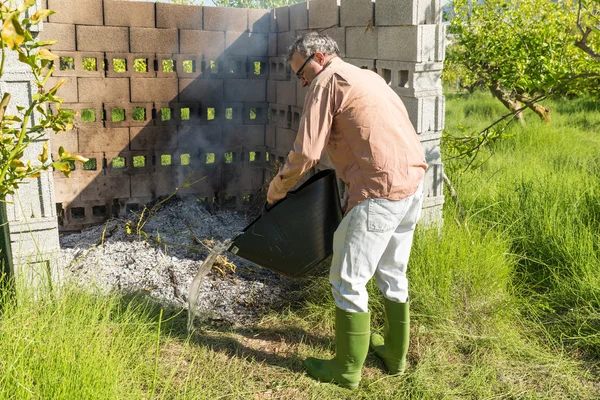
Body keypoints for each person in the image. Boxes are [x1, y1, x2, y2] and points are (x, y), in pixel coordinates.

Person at [267, 32, 428, 389]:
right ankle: (395, 356)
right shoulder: (367, 77)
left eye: (302, 72)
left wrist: (277, 189)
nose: (302, 80)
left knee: (348, 280)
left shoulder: (327, 81)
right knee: (392, 271)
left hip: (378, 193)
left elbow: (307, 153)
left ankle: (346, 369)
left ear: (320, 58)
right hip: (412, 184)